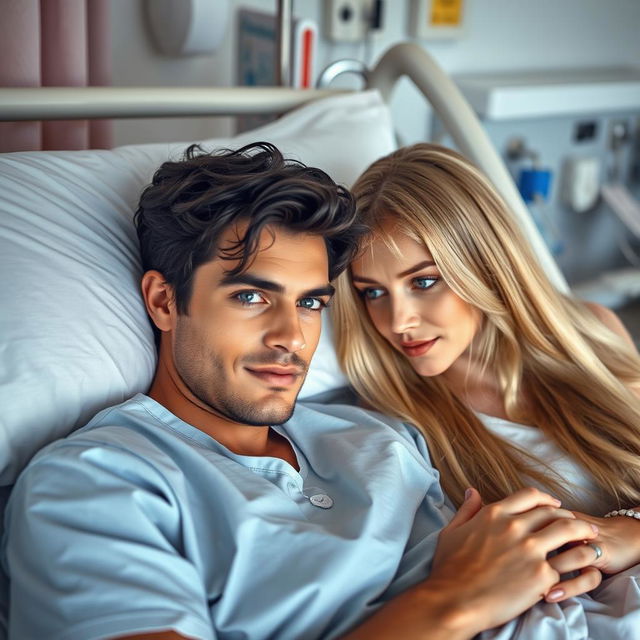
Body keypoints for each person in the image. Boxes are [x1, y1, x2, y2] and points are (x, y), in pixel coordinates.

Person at [3, 142, 601, 640]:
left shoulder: (377, 433)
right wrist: (451, 601)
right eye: (251, 297)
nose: (293, 337)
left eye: (311, 302)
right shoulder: (94, 483)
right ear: (164, 301)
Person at [332, 142, 640, 636]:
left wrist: (629, 531)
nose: (398, 321)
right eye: (373, 292)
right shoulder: (392, 424)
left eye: (425, 282)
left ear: (484, 261)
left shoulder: (592, 335)